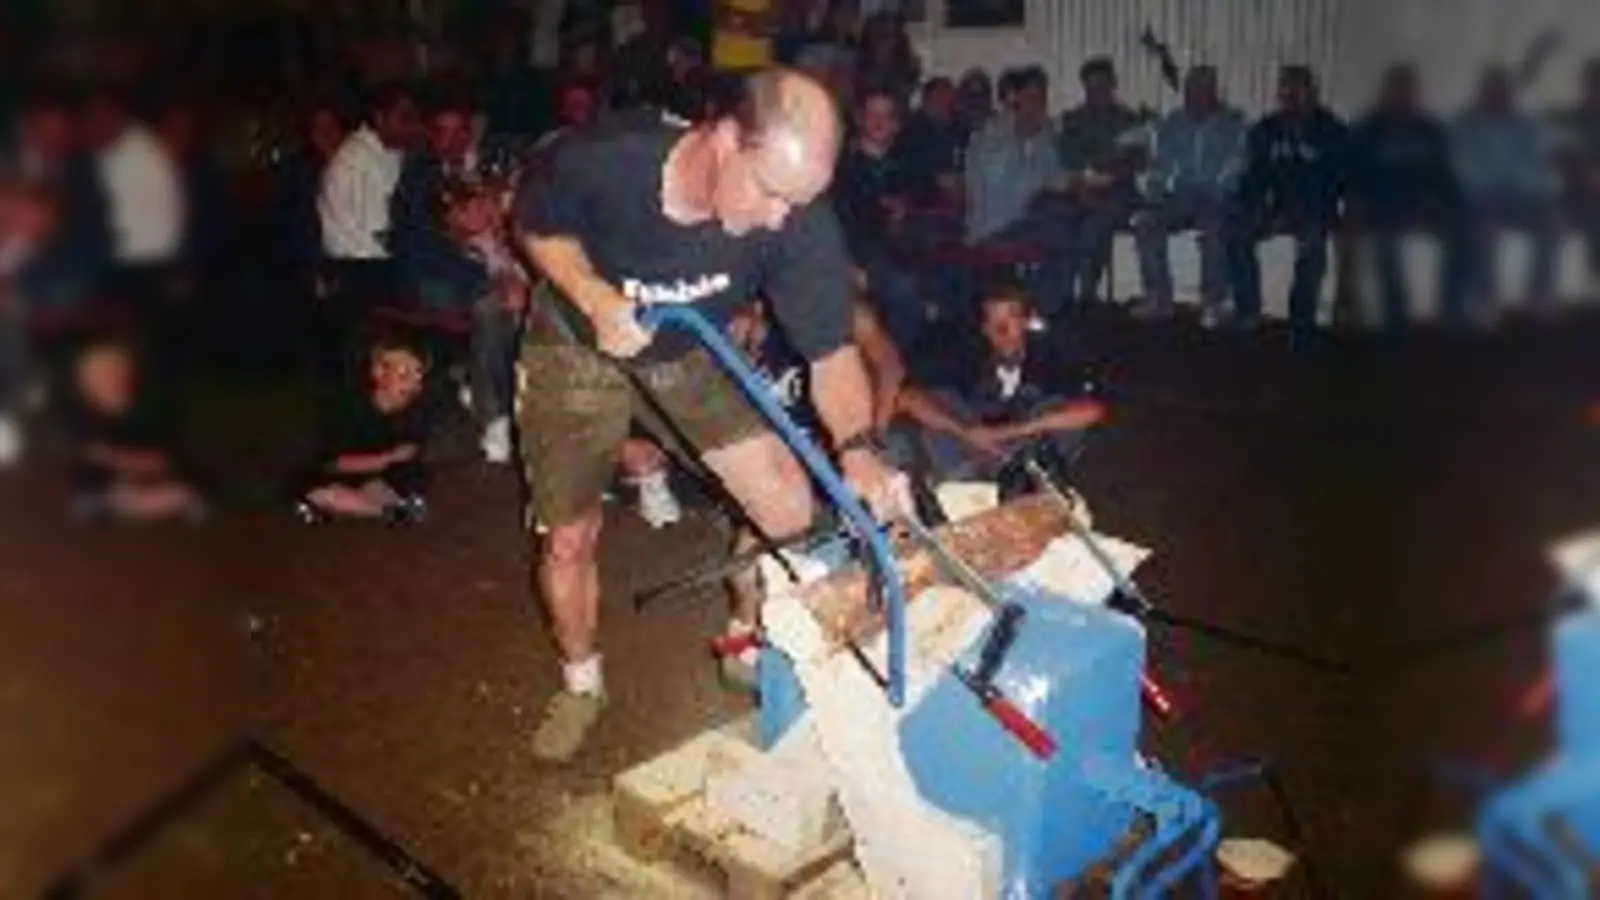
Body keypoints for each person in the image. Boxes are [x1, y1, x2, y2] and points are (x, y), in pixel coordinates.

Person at [514, 67, 910, 763]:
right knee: (569, 536)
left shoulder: (798, 217)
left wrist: (859, 447)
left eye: (801, 201)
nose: (781, 219)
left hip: (685, 346)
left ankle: (744, 635)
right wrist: (595, 296)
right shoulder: (609, 156)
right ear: (724, 140)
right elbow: (536, 225)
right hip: (577, 340)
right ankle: (582, 687)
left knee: (786, 506)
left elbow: (831, 353)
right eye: (771, 192)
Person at [893, 282, 1103, 494]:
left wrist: (1006, 432)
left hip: (1022, 450)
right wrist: (965, 431)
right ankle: (962, 488)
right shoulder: (964, 354)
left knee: (1057, 412)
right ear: (983, 328)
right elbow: (907, 398)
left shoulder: (1050, 354)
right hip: (970, 448)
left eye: (1011, 320)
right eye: (994, 322)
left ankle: (1029, 486)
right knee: (940, 404)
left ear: (1027, 322)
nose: (1002, 331)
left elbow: (1092, 411)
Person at [1231, 65, 1349, 343]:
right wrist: (1254, 206)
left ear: (1312, 92)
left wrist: (1315, 206)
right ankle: (1248, 312)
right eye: (1284, 89)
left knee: (1313, 246)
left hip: (1316, 209)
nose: (1290, 95)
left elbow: (1342, 181)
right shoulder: (1266, 129)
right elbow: (1252, 177)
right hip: (1277, 208)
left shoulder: (1332, 130)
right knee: (1237, 232)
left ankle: (1300, 322)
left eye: (1297, 89)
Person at [1133, 65, 1248, 324]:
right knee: (1146, 223)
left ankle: (1213, 301)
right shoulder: (1175, 121)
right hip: (1182, 195)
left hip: (1218, 195)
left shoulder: (1233, 121)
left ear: (1213, 92)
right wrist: (1153, 196)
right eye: (1189, 91)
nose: (1192, 97)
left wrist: (1217, 193)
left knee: (1215, 228)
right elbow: (1162, 164)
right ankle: (1158, 298)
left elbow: (1237, 163)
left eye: (1200, 91)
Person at [64, 334, 207, 524]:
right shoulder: (82, 416)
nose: (98, 382)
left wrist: (124, 461)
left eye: (108, 374)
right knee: (105, 497)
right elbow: (90, 457)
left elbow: (163, 459)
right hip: (116, 488)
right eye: (91, 377)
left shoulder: (154, 409)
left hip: (158, 482)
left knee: (181, 493)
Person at [293, 331, 432, 524]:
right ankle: (384, 511)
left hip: (380, 478)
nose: (413, 384)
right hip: (343, 473)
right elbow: (336, 461)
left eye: (418, 376)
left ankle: (365, 508)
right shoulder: (350, 407)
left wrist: (393, 466)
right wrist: (387, 459)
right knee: (320, 490)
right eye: (403, 375)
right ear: (378, 373)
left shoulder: (417, 411)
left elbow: (409, 455)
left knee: (403, 482)